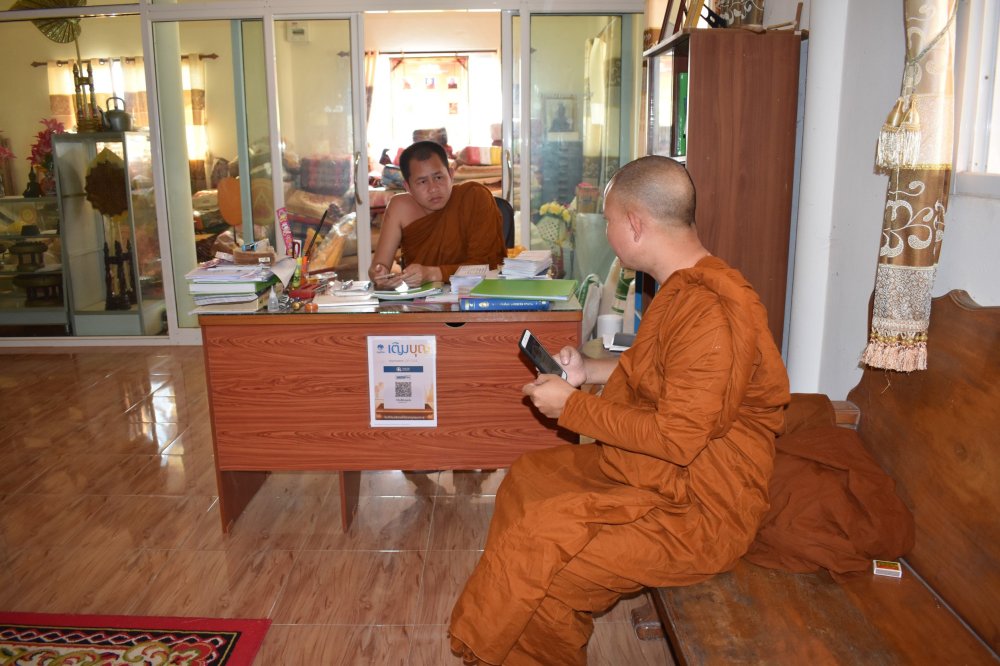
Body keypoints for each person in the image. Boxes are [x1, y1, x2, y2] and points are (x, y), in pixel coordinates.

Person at [448, 155, 791, 665]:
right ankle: (506, 636)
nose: (607, 232)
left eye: (608, 220)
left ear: (635, 223)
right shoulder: (684, 286)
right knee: (528, 478)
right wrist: (589, 370)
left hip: (699, 509)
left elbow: (677, 438)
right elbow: (662, 373)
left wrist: (572, 407)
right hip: (656, 470)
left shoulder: (710, 311)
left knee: (554, 573)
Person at [368, 140, 505, 288]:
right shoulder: (399, 208)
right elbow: (378, 267)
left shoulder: (474, 197)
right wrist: (379, 274)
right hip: (422, 297)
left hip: (476, 293)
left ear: (451, 174)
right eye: (422, 182)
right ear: (408, 187)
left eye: (438, 178)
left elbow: (489, 266)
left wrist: (433, 274)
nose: (433, 189)